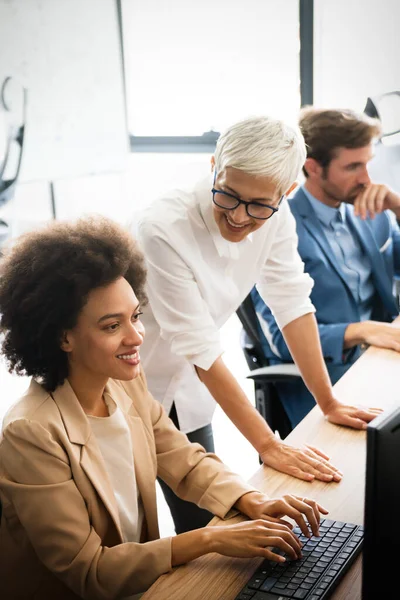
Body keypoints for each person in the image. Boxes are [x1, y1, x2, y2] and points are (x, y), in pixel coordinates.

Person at [0, 216, 328, 600]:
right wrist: (209, 538)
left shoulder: (126, 385)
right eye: (111, 326)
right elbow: (89, 571)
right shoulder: (31, 433)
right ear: (63, 337)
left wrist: (251, 499)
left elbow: (184, 460)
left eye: (136, 316)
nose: (137, 335)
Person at [133, 115, 381, 535]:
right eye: (228, 195)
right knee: (134, 531)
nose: (239, 216)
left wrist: (329, 401)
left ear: (286, 193)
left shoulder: (278, 217)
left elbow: (292, 303)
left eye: (259, 205)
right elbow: (200, 346)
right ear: (214, 166)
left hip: (191, 388)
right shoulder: (162, 226)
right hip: (131, 383)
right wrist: (267, 444)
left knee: (208, 523)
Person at [251, 107, 400, 428]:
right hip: (328, 377)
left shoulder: (370, 210)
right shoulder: (277, 227)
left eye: (367, 164)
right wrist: (361, 330)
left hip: (383, 359)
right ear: (313, 167)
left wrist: (399, 208)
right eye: (353, 166)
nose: (367, 179)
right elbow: (278, 338)